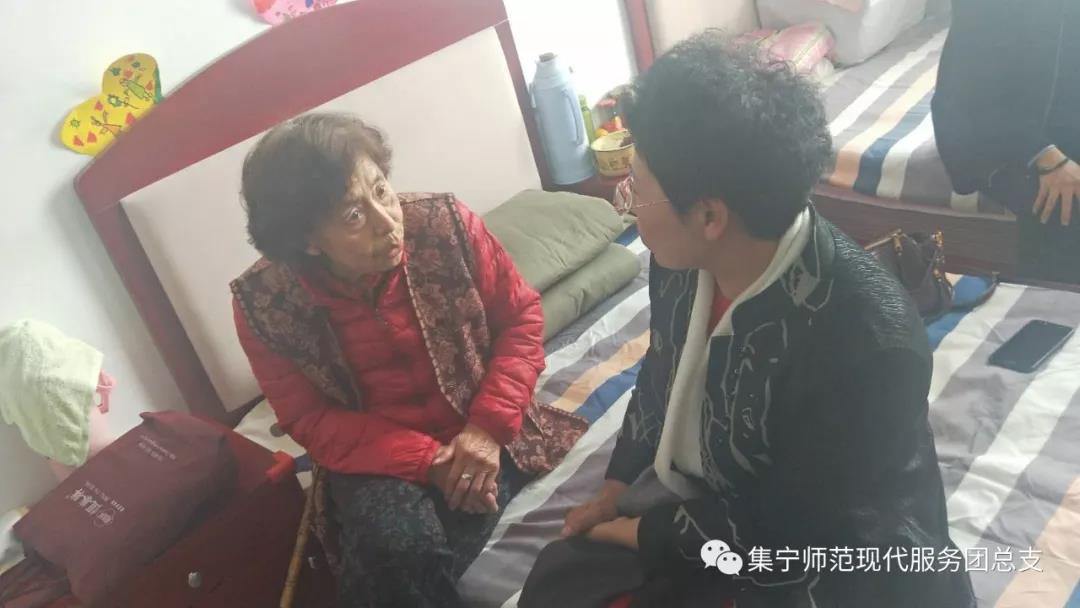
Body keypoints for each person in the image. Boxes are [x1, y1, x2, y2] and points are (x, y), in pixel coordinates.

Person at [520, 31, 975, 608]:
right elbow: (661, 374)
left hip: (837, 550)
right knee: (558, 582)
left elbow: (799, 523)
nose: (626, 202)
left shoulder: (871, 340)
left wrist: (635, 532)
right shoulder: (680, 264)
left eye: (638, 185)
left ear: (709, 216)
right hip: (719, 513)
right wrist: (615, 490)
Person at [230, 113, 587, 607]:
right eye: (353, 217)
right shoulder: (265, 302)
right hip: (374, 456)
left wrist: (486, 430)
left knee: (405, 559)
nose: (387, 221)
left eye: (381, 190)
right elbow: (308, 418)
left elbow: (521, 317)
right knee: (396, 548)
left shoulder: (445, 225)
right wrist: (425, 462)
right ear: (308, 241)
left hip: (480, 420)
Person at [933, 0, 1079, 283]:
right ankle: (1048, 298)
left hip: (1056, 116)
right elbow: (967, 97)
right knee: (1064, 201)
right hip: (991, 132)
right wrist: (1045, 155)